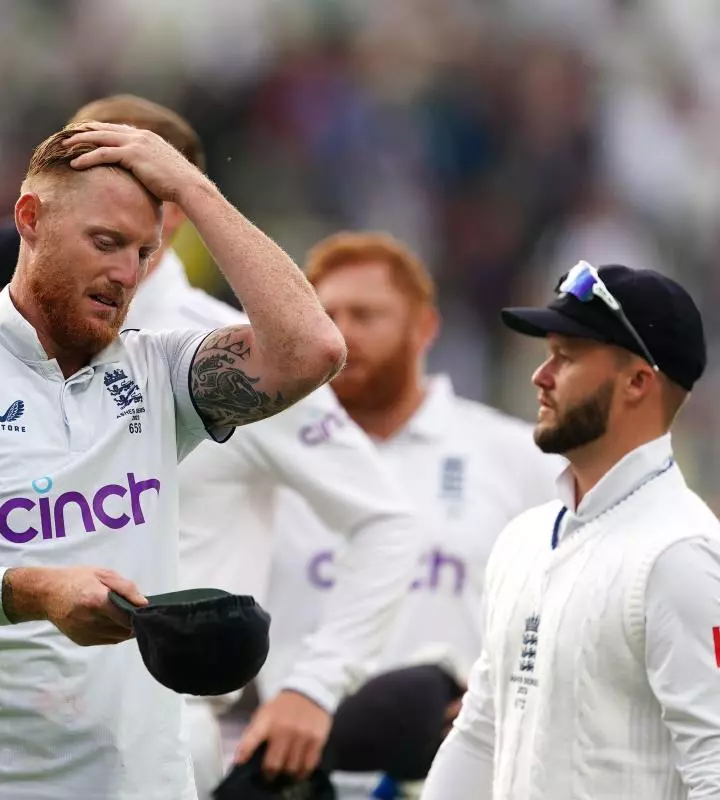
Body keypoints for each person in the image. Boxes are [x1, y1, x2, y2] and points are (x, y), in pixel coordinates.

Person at [0, 120, 347, 799]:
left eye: (144, 251)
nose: (126, 273)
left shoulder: (159, 371)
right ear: (30, 219)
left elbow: (313, 350)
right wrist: (34, 592)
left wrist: (194, 190)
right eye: (106, 242)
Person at [65, 96, 429, 798]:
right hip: (5, 709)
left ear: (171, 211)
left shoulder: (239, 356)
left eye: (110, 175)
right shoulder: (19, 344)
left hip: (151, 728)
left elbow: (388, 521)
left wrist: (315, 686)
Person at [261, 232, 562, 798]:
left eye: (365, 315)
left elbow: (570, 602)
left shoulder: (516, 457)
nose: (341, 333)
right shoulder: (264, 460)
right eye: (327, 316)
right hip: (294, 778)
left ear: (424, 327)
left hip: (459, 777)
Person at [422, 262, 718, 799]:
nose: (541, 375)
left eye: (567, 357)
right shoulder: (524, 538)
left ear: (637, 383)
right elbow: (481, 733)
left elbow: (713, 765)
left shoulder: (681, 554)